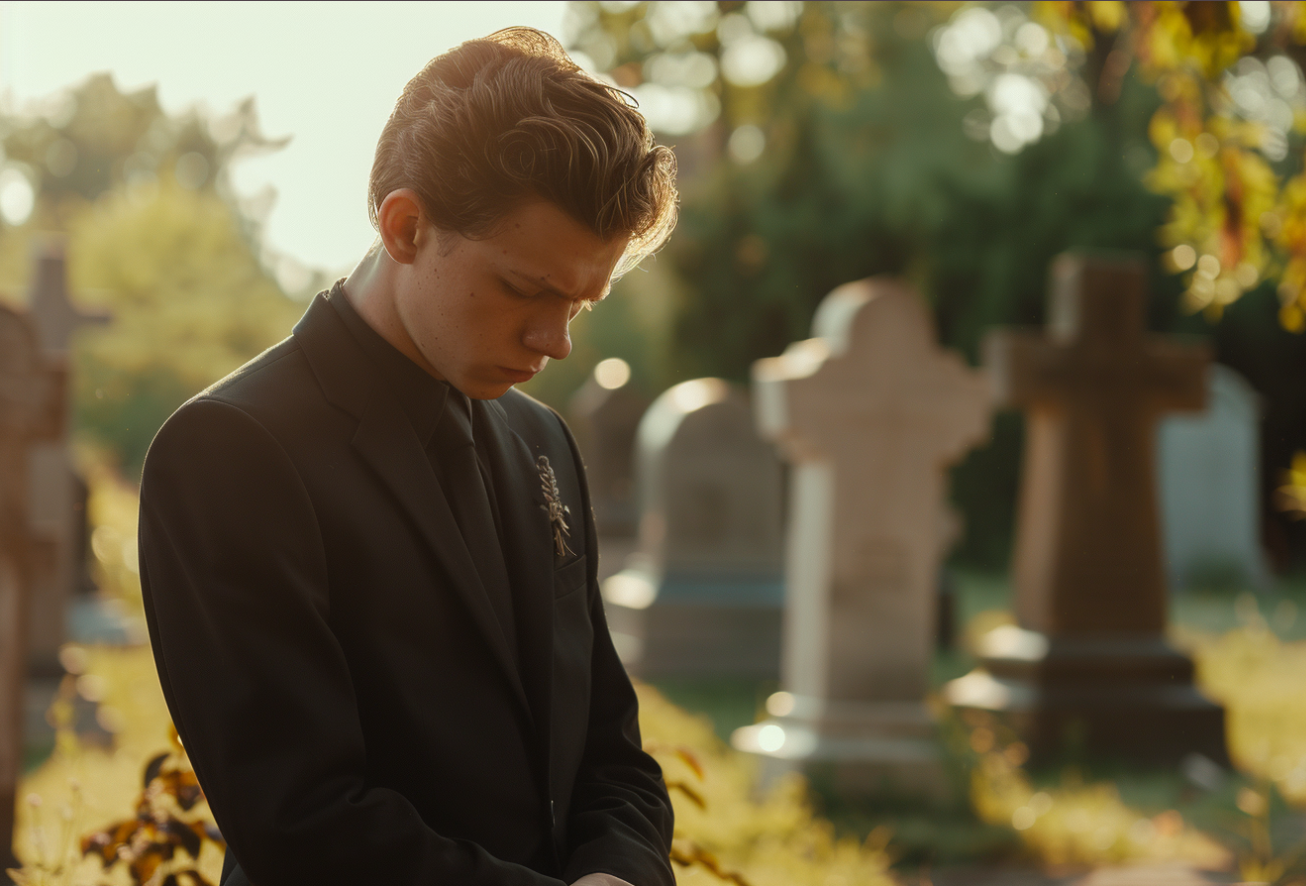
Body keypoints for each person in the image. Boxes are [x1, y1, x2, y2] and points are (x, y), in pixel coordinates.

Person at [137, 27, 678, 886]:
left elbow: (611, 753)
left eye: (581, 300)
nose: (557, 340)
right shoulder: (231, 452)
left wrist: (619, 874)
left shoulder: (543, 440)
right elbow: (303, 820)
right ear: (406, 225)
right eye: (526, 289)